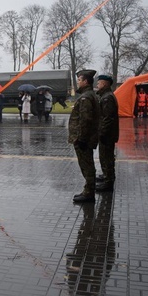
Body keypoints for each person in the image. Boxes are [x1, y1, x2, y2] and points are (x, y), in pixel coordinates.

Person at [68, 70, 100, 203]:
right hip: (86, 137)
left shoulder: (86, 97)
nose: (78, 83)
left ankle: (89, 192)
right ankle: (88, 190)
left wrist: (81, 138)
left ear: (85, 81)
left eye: (79, 80)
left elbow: (85, 120)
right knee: (88, 165)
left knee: (87, 166)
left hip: (83, 139)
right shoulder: (89, 95)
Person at [95, 74, 119, 192]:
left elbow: (107, 118)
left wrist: (102, 133)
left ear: (104, 84)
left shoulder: (107, 98)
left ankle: (108, 181)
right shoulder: (106, 95)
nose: (97, 85)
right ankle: (106, 176)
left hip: (107, 134)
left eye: (98, 83)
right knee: (104, 156)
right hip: (107, 133)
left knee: (106, 157)